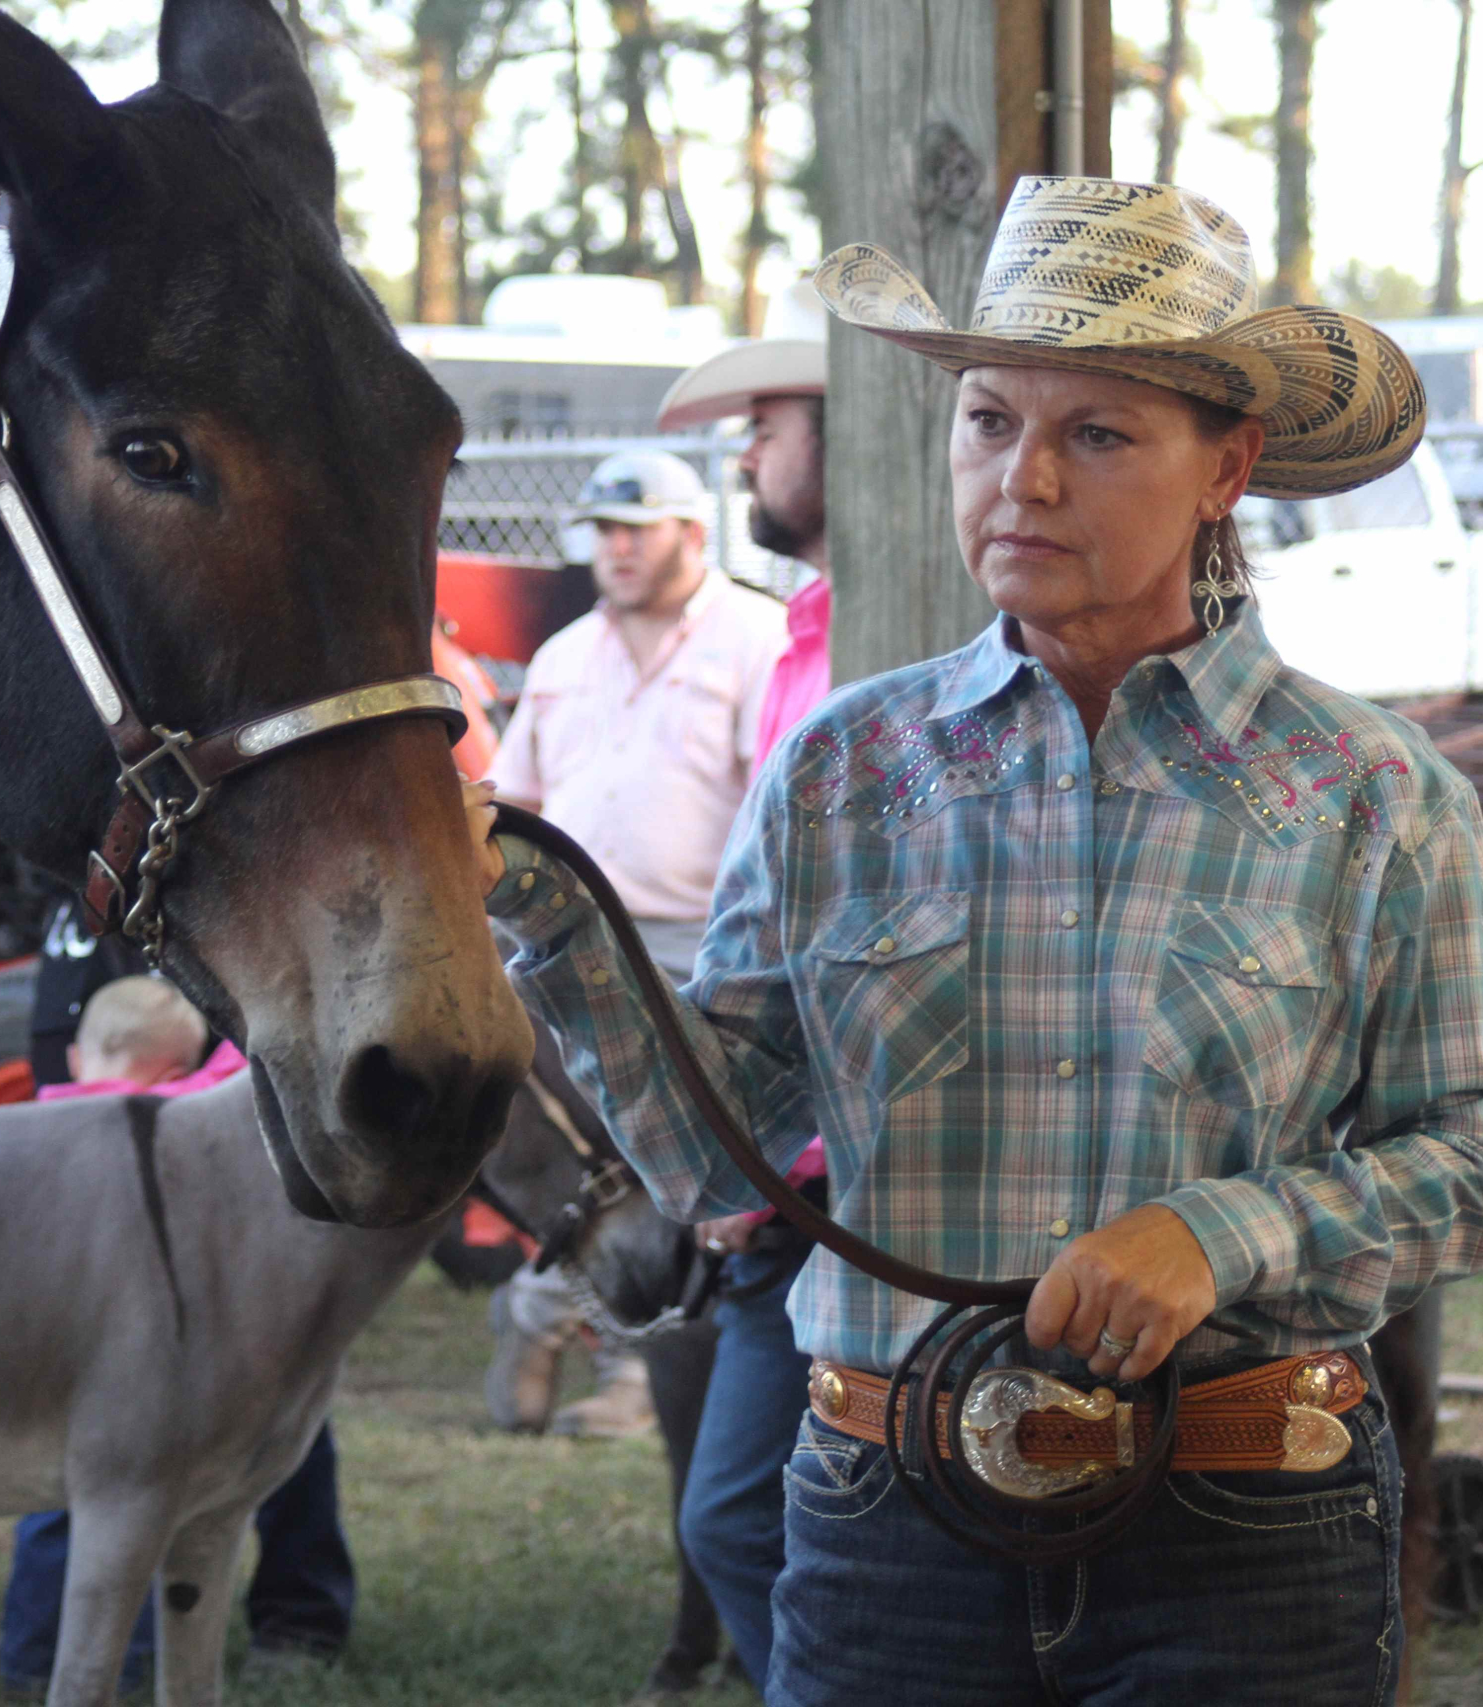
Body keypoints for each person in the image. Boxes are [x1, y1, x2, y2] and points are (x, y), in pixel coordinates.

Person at [470, 176, 1483, 1706]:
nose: (1021, 479)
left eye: (1096, 434)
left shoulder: (1372, 796)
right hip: (884, 1517)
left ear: (1227, 466)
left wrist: (1216, 1233)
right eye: (988, 422)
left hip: (1250, 1525)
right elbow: (727, 1157)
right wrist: (544, 909)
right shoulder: (843, 769)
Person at [484, 449, 788, 1440]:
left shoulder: (757, 639)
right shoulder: (568, 653)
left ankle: (626, 1366)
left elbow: (770, 812)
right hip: (560, 945)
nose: (613, 549)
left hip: (692, 945)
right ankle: (551, 1320)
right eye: (603, 531)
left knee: (670, 1167)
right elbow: (519, 799)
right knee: (582, 1168)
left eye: (635, 528)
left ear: (693, 534)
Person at [0, 973, 353, 1699]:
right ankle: (133, 1657)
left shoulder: (46, 1112)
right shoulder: (172, 1109)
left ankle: (28, 1651)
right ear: (179, 1071)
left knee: (54, 1515)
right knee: (145, 1511)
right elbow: (244, 1077)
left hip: (56, 1341)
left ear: (77, 1060)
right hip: (155, 1344)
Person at [653, 278, 831, 1691]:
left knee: (749, 1515)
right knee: (754, 1516)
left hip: (832, 1174)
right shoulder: (808, 642)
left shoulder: (857, 652)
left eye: (764, 421)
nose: (741, 456)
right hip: (791, 1158)